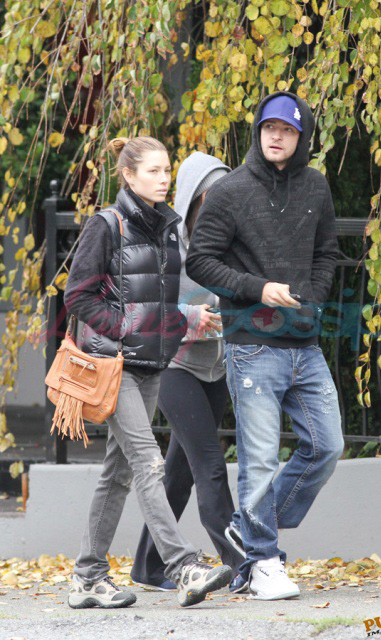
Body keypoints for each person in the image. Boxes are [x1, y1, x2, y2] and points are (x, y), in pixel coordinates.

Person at [186, 93, 345, 600]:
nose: (277, 136)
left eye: (288, 130)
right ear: (258, 131)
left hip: (305, 343)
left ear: (302, 138)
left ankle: (246, 530)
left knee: (327, 446)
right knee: (258, 459)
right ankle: (264, 562)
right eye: (269, 127)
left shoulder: (316, 186)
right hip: (252, 345)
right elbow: (199, 260)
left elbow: (327, 253)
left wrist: (312, 301)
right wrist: (258, 289)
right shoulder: (230, 191)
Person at [63, 136, 232, 609]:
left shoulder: (168, 229)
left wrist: (183, 319)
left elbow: (156, 303)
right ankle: (183, 566)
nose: (163, 180)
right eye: (153, 171)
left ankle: (88, 576)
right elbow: (77, 296)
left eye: (167, 171)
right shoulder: (106, 225)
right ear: (129, 175)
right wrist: (125, 327)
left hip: (152, 365)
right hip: (113, 364)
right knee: (147, 461)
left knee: (118, 471)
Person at [130, 152, 245, 593]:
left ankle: (147, 566)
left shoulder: (231, 243)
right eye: (213, 195)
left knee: (180, 472)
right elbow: (143, 308)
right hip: (174, 367)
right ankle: (241, 563)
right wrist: (191, 317)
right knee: (210, 465)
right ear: (194, 198)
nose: (222, 203)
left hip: (215, 369)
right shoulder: (166, 245)